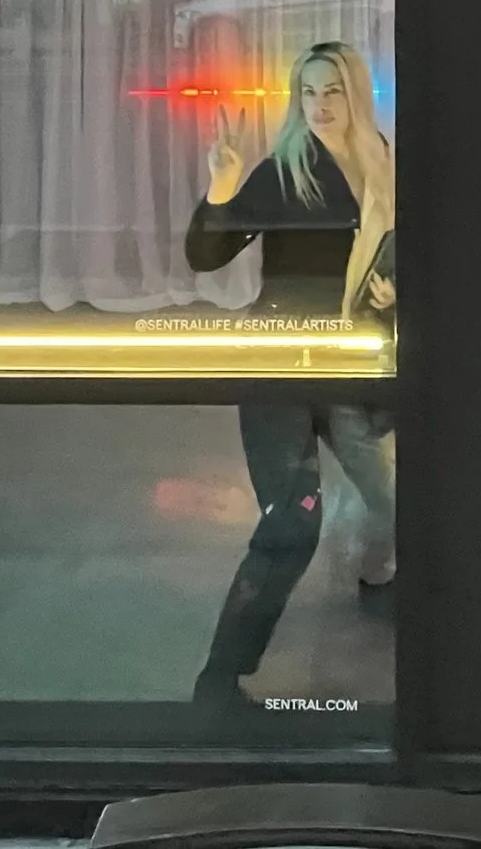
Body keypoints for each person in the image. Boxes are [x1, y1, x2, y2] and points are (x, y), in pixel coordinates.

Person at [186, 40, 397, 717]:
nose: (319, 105)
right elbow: (207, 255)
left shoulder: (381, 165)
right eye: (308, 92)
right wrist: (221, 188)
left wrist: (395, 295)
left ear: (354, 94)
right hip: (280, 361)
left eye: (331, 90)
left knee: (398, 494)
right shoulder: (285, 169)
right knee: (292, 522)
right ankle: (218, 680)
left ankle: (381, 577)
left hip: (352, 361)